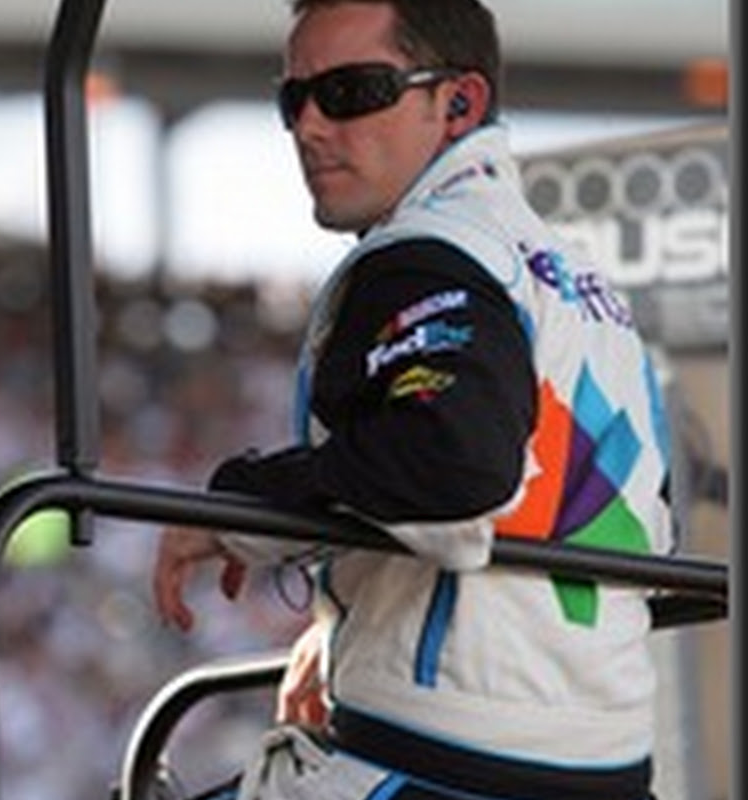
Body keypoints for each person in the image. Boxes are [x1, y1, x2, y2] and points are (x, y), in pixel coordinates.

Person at [152, 1, 674, 798]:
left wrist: (243, 509)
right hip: (608, 769)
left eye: (351, 91)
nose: (310, 127)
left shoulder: (425, 255)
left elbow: (453, 468)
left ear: (458, 103)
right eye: (293, 99)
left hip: (439, 763)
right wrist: (346, 637)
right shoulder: (581, 283)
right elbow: (653, 532)